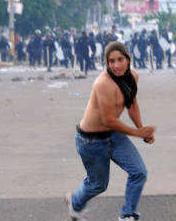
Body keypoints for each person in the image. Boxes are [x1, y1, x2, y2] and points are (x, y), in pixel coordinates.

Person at [66, 42, 155, 221]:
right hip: (91, 141)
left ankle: (127, 214)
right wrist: (138, 133)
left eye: (120, 60)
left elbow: (132, 105)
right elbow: (109, 120)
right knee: (98, 185)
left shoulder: (133, 77)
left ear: (128, 59)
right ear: (106, 63)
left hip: (114, 136)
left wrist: (142, 129)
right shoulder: (103, 84)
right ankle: (74, 202)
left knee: (139, 172)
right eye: (111, 61)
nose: (116, 65)